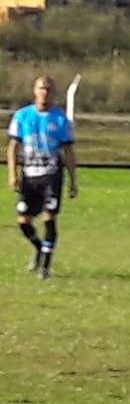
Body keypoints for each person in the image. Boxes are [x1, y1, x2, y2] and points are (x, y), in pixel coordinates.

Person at [6, 75, 78, 280]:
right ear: (34, 90)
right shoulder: (22, 116)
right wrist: (13, 174)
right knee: (23, 220)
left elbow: (68, 152)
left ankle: (45, 266)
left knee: (49, 217)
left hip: (52, 176)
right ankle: (39, 248)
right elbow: (13, 148)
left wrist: (73, 180)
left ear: (53, 93)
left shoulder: (60, 119)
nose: (44, 93)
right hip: (30, 177)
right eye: (41, 88)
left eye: (48, 89)